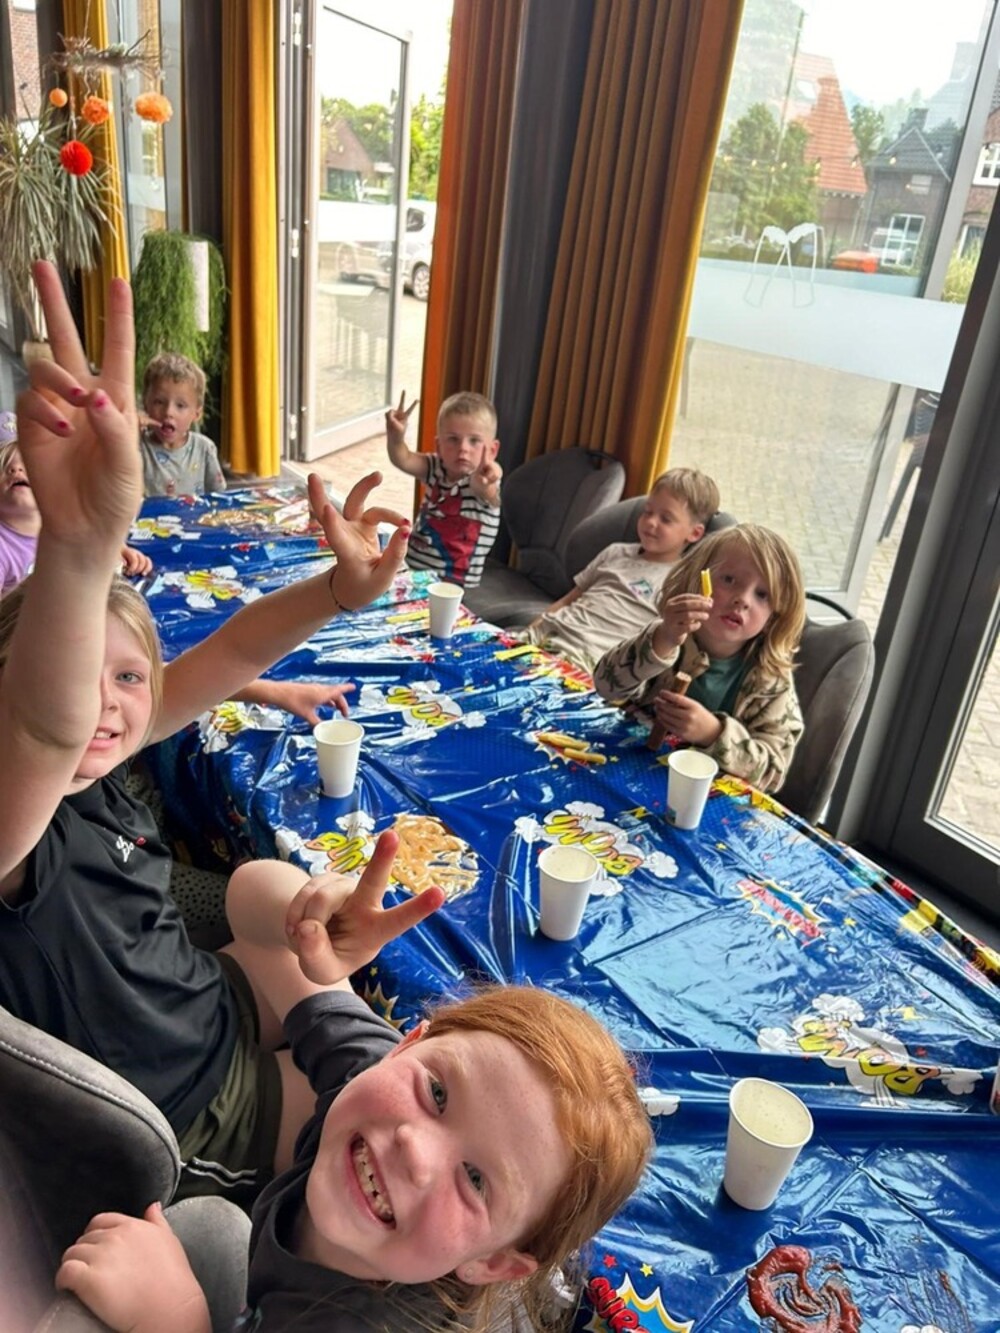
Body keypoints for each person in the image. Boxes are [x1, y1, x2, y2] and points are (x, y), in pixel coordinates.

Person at [0, 260, 415, 1207]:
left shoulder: (109, 756)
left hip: (202, 993)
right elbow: (42, 726)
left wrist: (337, 591)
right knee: (381, 1125)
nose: (107, 704)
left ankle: (323, 965)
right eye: (78, 673)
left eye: (129, 678)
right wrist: (79, 547)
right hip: (194, 1104)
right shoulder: (14, 828)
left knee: (272, 890)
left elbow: (228, 651)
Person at [55, 834, 654, 1333]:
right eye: (438, 1094)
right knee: (211, 1228)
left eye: (475, 1179)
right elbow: (251, 899)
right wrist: (306, 922)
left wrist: (174, 1319)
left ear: (494, 1262)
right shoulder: (373, 1081)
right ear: (407, 1043)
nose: (415, 1148)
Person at [593, 523, 806, 792]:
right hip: (627, 768)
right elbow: (605, 686)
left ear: (775, 615)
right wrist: (661, 642)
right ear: (698, 579)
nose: (742, 599)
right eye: (729, 580)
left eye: (762, 594)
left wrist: (713, 733)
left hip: (704, 798)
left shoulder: (772, 679)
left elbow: (773, 775)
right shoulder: (668, 636)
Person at [520, 467, 720, 672]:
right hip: (546, 636)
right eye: (648, 512)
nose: (651, 522)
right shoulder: (615, 552)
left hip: (587, 662)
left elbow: (664, 645)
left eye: (666, 519)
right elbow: (567, 600)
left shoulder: (679, 582)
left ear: (695, 533)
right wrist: (528, 631)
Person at [0, 417, 151, 592]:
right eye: (3, 466)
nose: (16, 470)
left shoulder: (62, 519)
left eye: (28, 463)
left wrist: (118, 551)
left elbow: (92, 539)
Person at [385, 389, 502, 587]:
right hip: (411, 570)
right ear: (439, 446)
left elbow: (489, 489)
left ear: (492, 450)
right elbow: (403, 459)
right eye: (453, 439)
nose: (463, 448)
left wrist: (489, 479)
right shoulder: (436, 467)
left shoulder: (482, 479)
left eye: (474, 440)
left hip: (453, 585)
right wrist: (396, 438)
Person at [139, 351, 226, 496]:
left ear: (196, 413)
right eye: (159, 402)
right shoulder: (138, 446)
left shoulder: (204, 449)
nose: (168, 412)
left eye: (180, 405)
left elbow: (219, 497)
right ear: (145, 404)